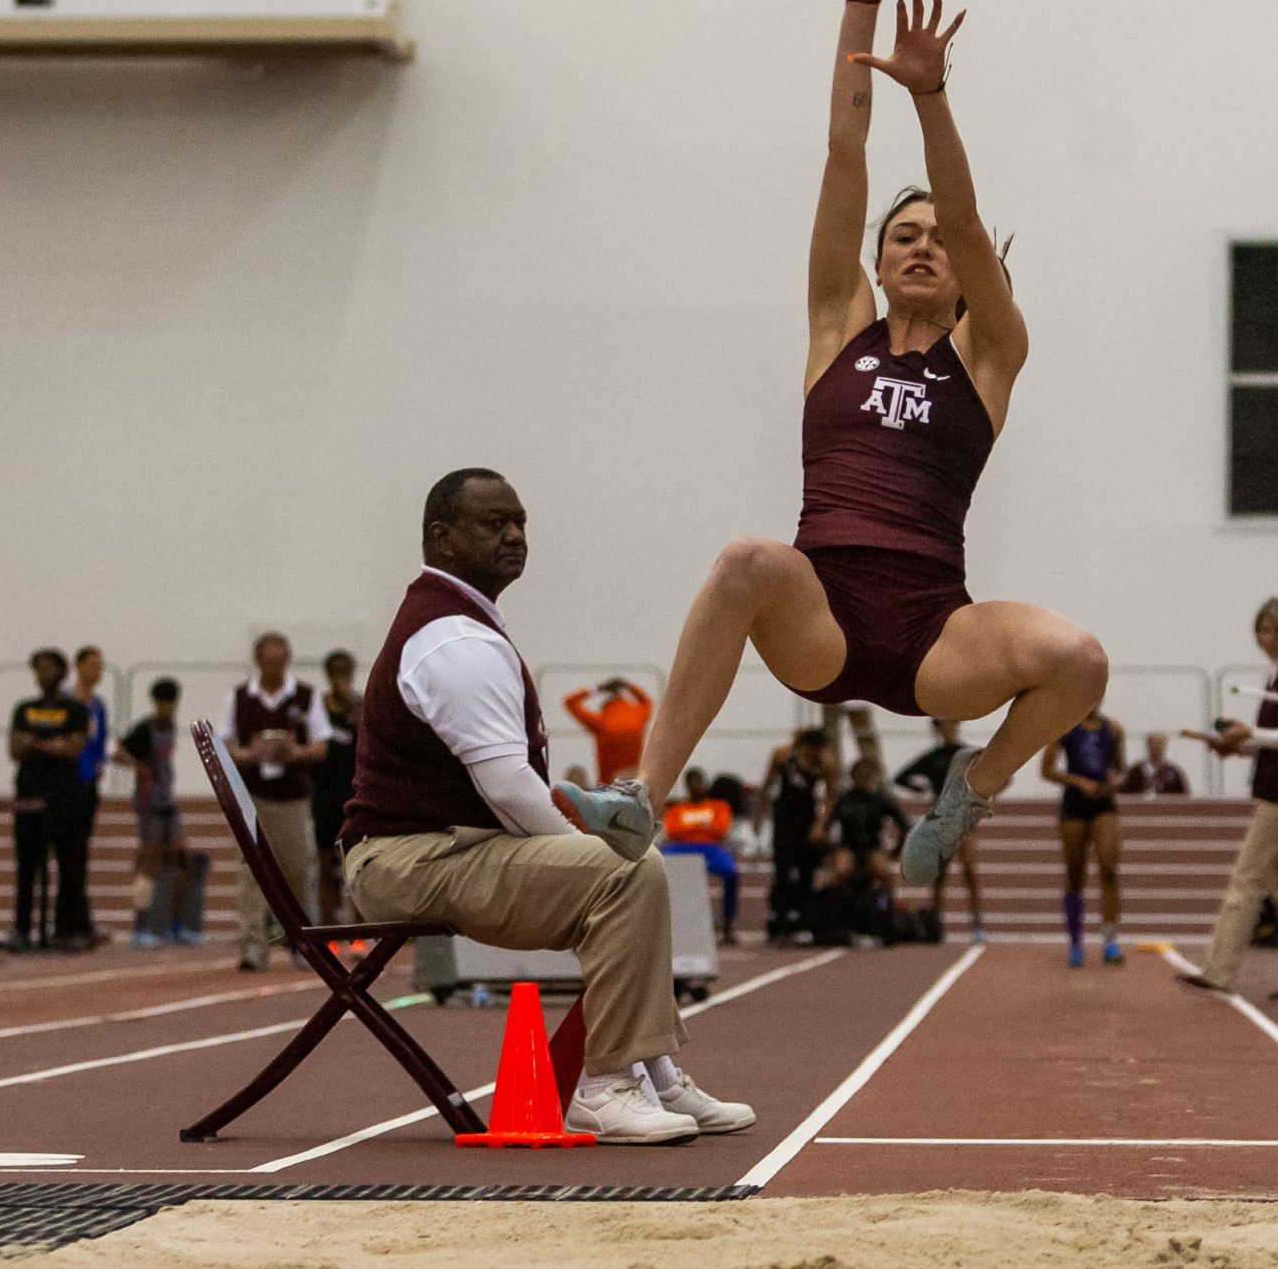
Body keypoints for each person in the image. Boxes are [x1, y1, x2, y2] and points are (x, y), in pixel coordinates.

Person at [559, 0, 1107, 898]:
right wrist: (859, 1)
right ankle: (641, 796)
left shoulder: (989, 356)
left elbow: (971, 223)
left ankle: (970, 788)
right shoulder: (835, 329)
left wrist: (931, 98)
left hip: (935, 632)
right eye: (905, 235)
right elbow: (843, 155)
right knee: (742, 562)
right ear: (878, 260)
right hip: (823, 615)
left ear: (966, 274)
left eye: (940, 242)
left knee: (1078, 660)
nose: (924, 245)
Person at [340, 468, 751, 1145]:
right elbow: (508, 789)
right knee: (624, 870)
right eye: (493, 523)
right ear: (440, 539)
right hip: (408, 858)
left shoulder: (463, 624)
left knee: (627, 867)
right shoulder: (453, 639)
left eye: (521, 522)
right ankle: (606, 1086)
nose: (514, 535)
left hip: (441, 846)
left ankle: (654, 1073)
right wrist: (585, 846)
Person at [1179, 598, 1278, 1001]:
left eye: (1273, 630)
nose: (1266, 638)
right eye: (1262, 630)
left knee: (1246, 880)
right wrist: (1238, 746)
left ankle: (1220, 969)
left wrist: (1250, 735)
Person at [216, 631, 330, 972]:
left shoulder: (307, 696)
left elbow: (321, 744)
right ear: (258, 661)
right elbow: (223, 744)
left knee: (296, 869)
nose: (275, 668)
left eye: (280, 662)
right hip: (251, 795)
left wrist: (294, 751)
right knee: (251, 870)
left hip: (291, 796)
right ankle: (253, 945)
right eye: (269, 662)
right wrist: (249, 753)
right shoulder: (239, 697)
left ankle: (297, 941)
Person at [6, 649, 93, 952]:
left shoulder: (76, 710)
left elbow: (73, 748)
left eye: (49, 668)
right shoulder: (24, 708)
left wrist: (36, 743)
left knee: (70, 865)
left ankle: (66, 930)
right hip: (29, 795)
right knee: (27, 866)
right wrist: (52, 744)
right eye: (38, 669)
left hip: (66, 797)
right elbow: (15, 749)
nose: (43, 674)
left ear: (62, 671)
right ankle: (21, 929)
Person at [114, 677, 195, 946]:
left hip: (168, 802)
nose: (169, 708)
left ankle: (176, 924)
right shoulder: (144, 729)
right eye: (165, 703)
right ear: (156, 703)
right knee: (149, 863)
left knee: (180, 860)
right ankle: (140, 926)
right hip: (149, 804)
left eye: (173, 703)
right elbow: (117, 753)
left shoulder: (170, 727)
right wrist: (138, 768)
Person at [1042, 708, 1125, 967]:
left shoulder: (1113, 729)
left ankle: (1110, 940)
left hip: (1103, 802)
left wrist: (1115, 780)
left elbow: (1121, 770)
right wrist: (1078, 782)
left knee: (1109, 867)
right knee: (1075, 873)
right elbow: (1047, 770)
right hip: (1074, 804)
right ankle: (1076, 943)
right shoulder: (1064, 725)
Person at [894, 718, 987, 939]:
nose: (948, 729)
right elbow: (900, 778)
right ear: (937, 728)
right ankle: (936, 926)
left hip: (963, 816)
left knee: (970, 872)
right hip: (939, 817)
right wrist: (922, 790)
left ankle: (977, 925)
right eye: (943, 725)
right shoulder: (932, 757)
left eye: (951, 724)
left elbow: (997, 775)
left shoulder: (967, 754)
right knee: (939, 874)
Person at [765, 727, 835, 943]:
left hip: (806, 817)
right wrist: (759, 816)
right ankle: (780, 920)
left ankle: (804, 920)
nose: (817, 753)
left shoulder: (826, 763)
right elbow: (767, 785)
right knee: (783, 869)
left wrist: (820, 825)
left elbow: (831, 797)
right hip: (784, 816)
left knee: (807, 869)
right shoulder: (783, 755)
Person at [662, 767, 742, 943]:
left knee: (731, 872)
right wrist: (703, 825)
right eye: (692, 783)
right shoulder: (677, 808)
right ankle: (667, 922)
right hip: (682, 848)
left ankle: (728, 923)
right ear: (687, 786)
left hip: (710, 848)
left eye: (699, 782)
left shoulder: (719, 806)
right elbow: (672, 831)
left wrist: (690, 828)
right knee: (659, 866)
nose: (696, 786)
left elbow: (721, 829)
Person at [312, 649, 362, 927]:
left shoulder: (362, 707)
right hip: (325, 794)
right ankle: (329, 929)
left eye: (346, 672)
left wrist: (355, 713)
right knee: (325, 864)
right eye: (336, 672)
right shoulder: (318, 708)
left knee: (356, 865)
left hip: (354, 794)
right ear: (329, 675)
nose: (341, 678)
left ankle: (359, 932)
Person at [824, 755, 909, 909]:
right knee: (840, 871)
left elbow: (903, 824)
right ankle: (838, 908)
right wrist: (832, 852)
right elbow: (826, 826)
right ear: (852, 777)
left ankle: (884, 908)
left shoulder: (881, 799)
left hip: (872, 847)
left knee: (884, 872)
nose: (863, 779)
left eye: (867, 775)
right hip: (848, 846)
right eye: (859, 775)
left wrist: (894, 851)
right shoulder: (844, 799)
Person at [69, 646, 111, 932]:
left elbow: (101, 742)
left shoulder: (98, 705)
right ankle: (71, 918)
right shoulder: (68, 702)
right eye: (92, 665)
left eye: (101, 666)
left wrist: (100, 763)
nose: (98, 671)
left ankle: (79, 917)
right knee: (69, 851)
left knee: (80, 851)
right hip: (68, 782)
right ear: (79, 666)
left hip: (88, 783)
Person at [564, 678, 654, 787]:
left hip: (609, 785)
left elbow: (570, 702)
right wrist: (627, 685)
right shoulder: (639, 716)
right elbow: (647, 701)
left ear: (605, 706)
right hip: (637, 782)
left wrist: (597, 689)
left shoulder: (601, 723)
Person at [1118, 731, 1189, 797]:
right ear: (1147, 745)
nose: (1156, 747)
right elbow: (1124, 794)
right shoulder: (1135, 771)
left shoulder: (1174, 774)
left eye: (1159, 745)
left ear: (1164, 746)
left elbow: (1184, 796)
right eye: (1153, 744)